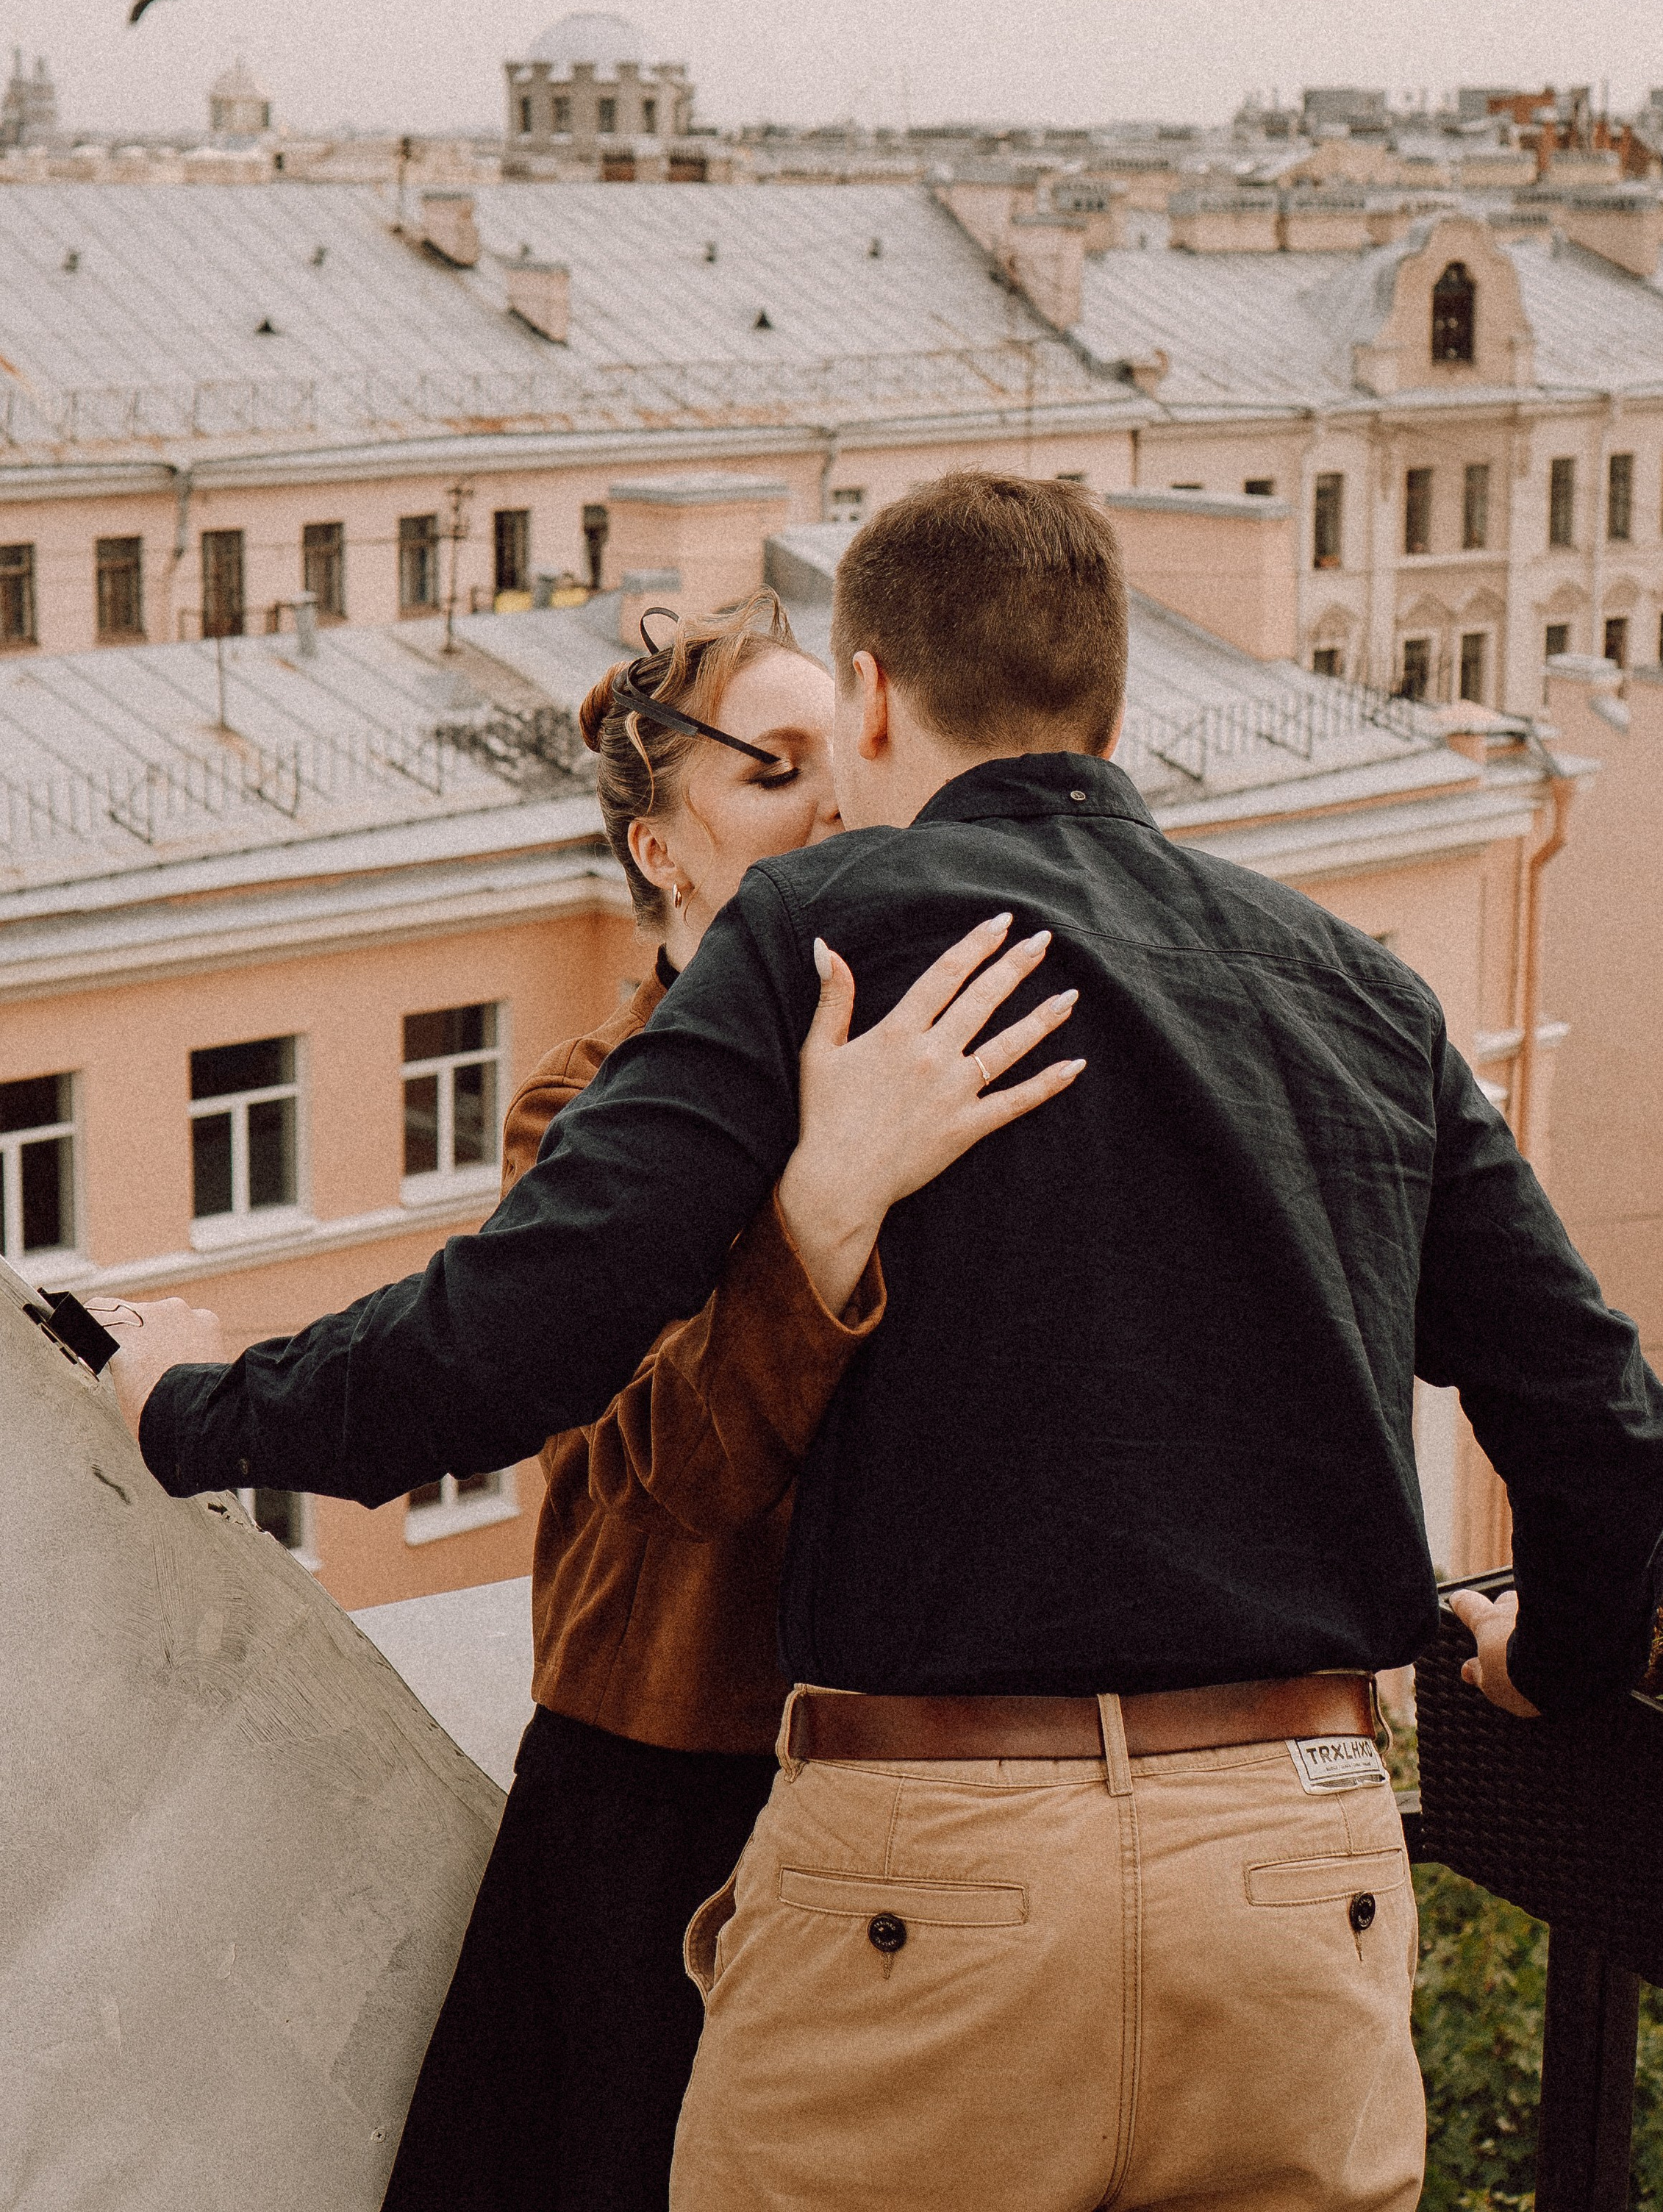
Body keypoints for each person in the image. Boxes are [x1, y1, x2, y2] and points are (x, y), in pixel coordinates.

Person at [112, 474, 1663, 2212]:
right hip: (1297, 1866)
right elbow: (1600, 1418)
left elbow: (501, 1346)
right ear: (1105, 698)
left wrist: (185, 1411)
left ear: (868, 696)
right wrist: (1559, 1664)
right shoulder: (1349, 984)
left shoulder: (826, 933)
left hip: (936, 1877)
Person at [104, 591, 1083, 2212]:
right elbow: (655, 1474)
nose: (834, 810)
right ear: (660, 849)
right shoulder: (587, 1103)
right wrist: (813, 1214)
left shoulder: (947, 1064)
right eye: (774, 771)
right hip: (673, 1777)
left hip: (931, 1792)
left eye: (846, 771)